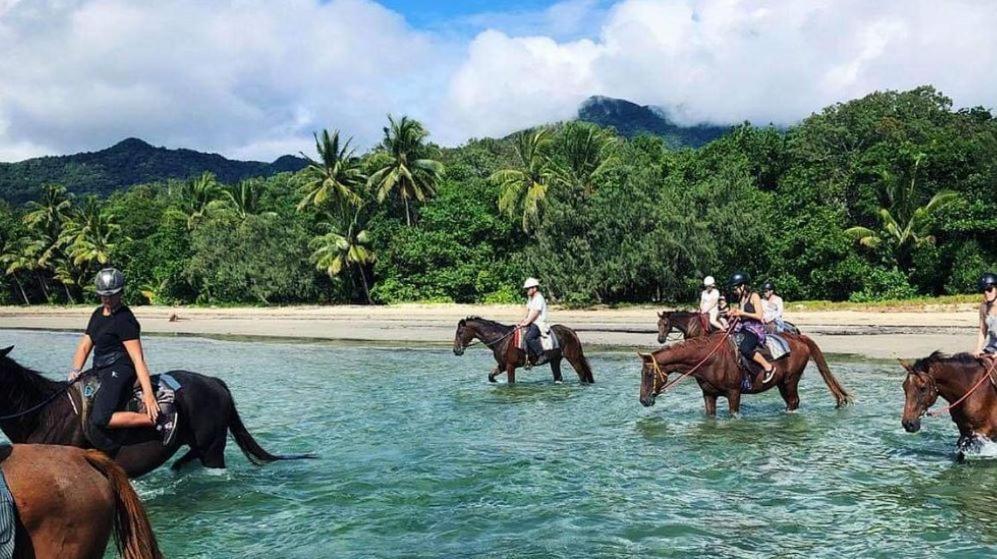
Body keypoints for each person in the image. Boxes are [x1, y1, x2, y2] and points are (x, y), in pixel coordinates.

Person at [69, 268, 178, 446]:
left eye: (111, 295)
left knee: (100, 418)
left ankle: (157, 419)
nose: (107, 299)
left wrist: (149, 396)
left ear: (121, 293)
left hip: (119, 368)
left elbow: (138, 359)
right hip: (99, 368)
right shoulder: (97, 314)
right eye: (103, 295)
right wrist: (75, 370)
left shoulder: (124, 319)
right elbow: (85, 346)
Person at [726, 272, 777, 384]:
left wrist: (741, 312)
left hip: (755, 329)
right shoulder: (741, 299)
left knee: (745, 348)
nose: (734, 291)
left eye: (735, 288)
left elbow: (759, 315)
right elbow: (742, 315)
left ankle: (768, 367)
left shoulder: (754, 296)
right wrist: (734, 314)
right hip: (743, 327)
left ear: (743, 286)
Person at [517, 277, 549, 368]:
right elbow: (528, 311)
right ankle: (527, 359)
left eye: (528, 288)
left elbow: (535, 312)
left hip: (538, 323)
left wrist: (527, 322)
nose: (527, 290)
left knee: (529, 337)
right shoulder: (531, 298)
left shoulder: (539, 298)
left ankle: (541, 354)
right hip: (531, 321)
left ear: (534, 288)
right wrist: (524, 320)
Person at [974, 272, 997, 358]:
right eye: (983, 290)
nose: (986, 293)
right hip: (992, 348)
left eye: (989, 289)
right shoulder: (983, 307)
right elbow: (983, 330)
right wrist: (978, 348)